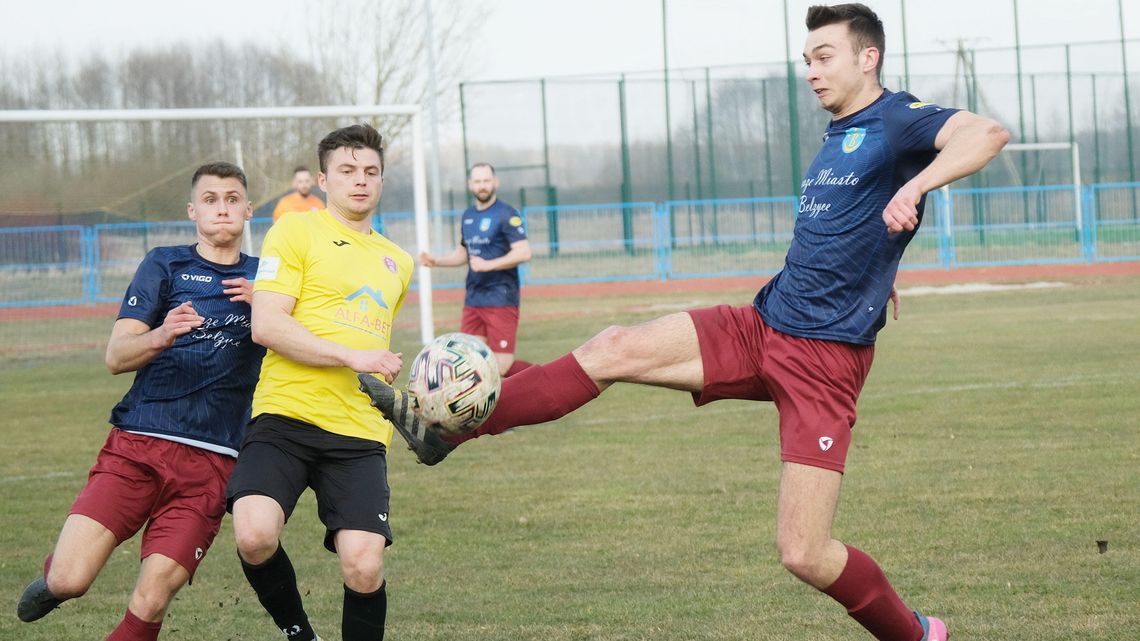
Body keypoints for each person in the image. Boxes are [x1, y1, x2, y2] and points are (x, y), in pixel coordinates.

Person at [360, 4, 1009, 641]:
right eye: (806, 58)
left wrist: (916, 187)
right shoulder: (839, 133)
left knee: (803, 551)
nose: (811, 70)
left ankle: (918, 635)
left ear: (868, 58)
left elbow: (987, 133)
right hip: (763, 324)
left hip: (824, 363)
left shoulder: (897, 119)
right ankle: (444, 433)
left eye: (824, 56)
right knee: (613, 346)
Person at [16, 162, 263, 641]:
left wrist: (268, 310)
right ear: (193, 211)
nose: (222, 209)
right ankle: (54, 580)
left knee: (150, 601)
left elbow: (303, 341)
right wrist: (162, 334)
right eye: (210, 200)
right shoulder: (164, 263)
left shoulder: (268, 278)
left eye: (232, 199)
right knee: (71, 579)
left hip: (212, 464)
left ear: (249, 210)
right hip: (137, 446)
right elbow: (116, 356)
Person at [227, 123, 414, 641]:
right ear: (324, 180)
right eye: (348, 171)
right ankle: (299, 633)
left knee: (364, 566)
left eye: (371, 171)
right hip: (284, 417)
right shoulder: (292, 231)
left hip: (357, 434)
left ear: (381, 180)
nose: (361, 180)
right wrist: (352, 355)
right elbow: (267, 325)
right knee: (255, 535)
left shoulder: (398, 261)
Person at [419, 162, 533, 376]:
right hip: (473, 299)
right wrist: (436, 261)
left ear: (495, 182)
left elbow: (524, 252)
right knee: (470, 362)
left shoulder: (507, 214)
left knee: (501, 367)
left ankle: (537, 378)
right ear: (471, 185)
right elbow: (463, 254)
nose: (483, 186)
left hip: (500, 298)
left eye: (486, 181)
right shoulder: (468, 216)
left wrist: (488, 265)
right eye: (478, 181)